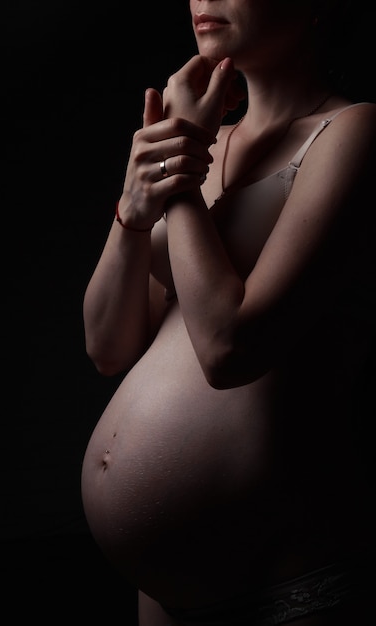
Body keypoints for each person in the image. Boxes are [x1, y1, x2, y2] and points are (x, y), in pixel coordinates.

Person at [81, 2, 376, 624]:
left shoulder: (352, 133)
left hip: (286, 582)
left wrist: (181, 185)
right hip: (162, 596)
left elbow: (228, 349)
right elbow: (108, 348)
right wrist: (131, 216)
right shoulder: (202, 140)